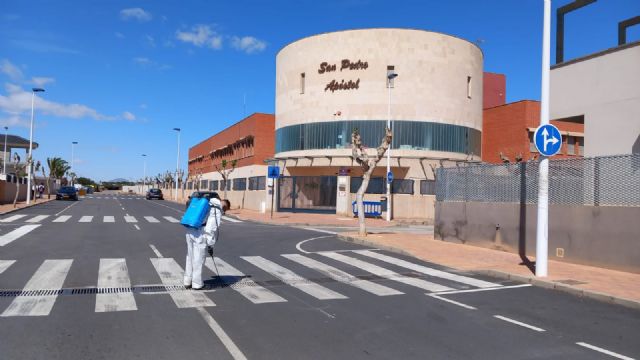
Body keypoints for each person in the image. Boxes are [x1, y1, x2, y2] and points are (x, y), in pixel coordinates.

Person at [183, 194, 231, 290]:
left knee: (190, 257)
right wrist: (210, 245)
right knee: (198, 259)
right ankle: (197, 284)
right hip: (200, 234)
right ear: (225, 207)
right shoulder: (217, 208)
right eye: (225, 211)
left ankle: (187, 281)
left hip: (190, 230)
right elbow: (211, 228)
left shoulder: (209, 201)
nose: (224, 212)